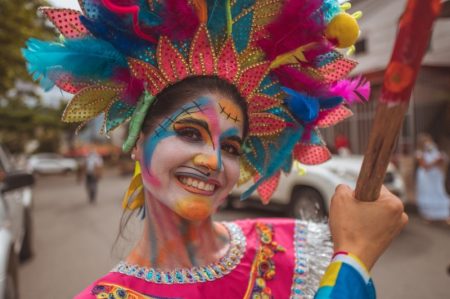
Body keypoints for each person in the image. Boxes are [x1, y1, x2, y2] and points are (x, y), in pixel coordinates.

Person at [22, 0, 407, 298]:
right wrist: (353, 261)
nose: (213, 161)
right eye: (189, 133)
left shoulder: (299, 250)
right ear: (139, 142)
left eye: (232, 147)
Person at [415, 133, 450, 223]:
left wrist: (441, 160)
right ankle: (429, 215)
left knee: (439, 192)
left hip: (436, 175)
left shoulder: (434, 150)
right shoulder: (419, 153)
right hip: (426, 176)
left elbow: (441, 162)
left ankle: (444, 215)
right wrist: (435, 161)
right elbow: (424, 166)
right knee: (428, 193)